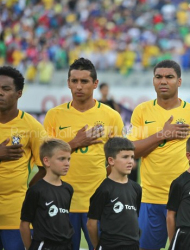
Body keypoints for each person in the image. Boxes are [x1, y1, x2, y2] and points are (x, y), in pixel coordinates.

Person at [126, 59, 190, 250]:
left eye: (169, 77)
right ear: (153, 80)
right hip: (150, 197)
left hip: (184, 200)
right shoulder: (142, 111)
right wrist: (163, 135)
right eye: (159, 77)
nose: (163, 81)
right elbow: (131, 151)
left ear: (179, 81)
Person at [43, 58, 124, 250]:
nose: (78, 86)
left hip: (98, 203)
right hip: (61, 202)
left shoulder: (111, 116)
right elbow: (44, 160)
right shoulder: (54, 115)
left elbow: (120, 159)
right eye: (74, 81)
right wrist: (75, 143)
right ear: (68, 82)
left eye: (84, 81)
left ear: (95, 84)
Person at [0, 66, 46, 250]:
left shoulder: (32, 127)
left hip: (16, 215)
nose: (0, 93)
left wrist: (29, 194)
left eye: (6, 89)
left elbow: (46, 167)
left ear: (19, 93)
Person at [87, 137, 141, 250]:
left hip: (133, 245)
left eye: (132, 157)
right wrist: (97, 246)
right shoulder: (104, 189)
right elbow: (91, 223)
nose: (130, 161)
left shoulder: (136, 188)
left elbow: (135, 218)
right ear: (111, 160)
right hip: (109, 245)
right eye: (125, 157)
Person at [20, 138, 74, 250]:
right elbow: (24, 224)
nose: (67, 163)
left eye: (68, 159)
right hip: (44, 245)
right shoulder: (36, 190)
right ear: (46, 161)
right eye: (62, 159)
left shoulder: (68, 189)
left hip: (66, 245)